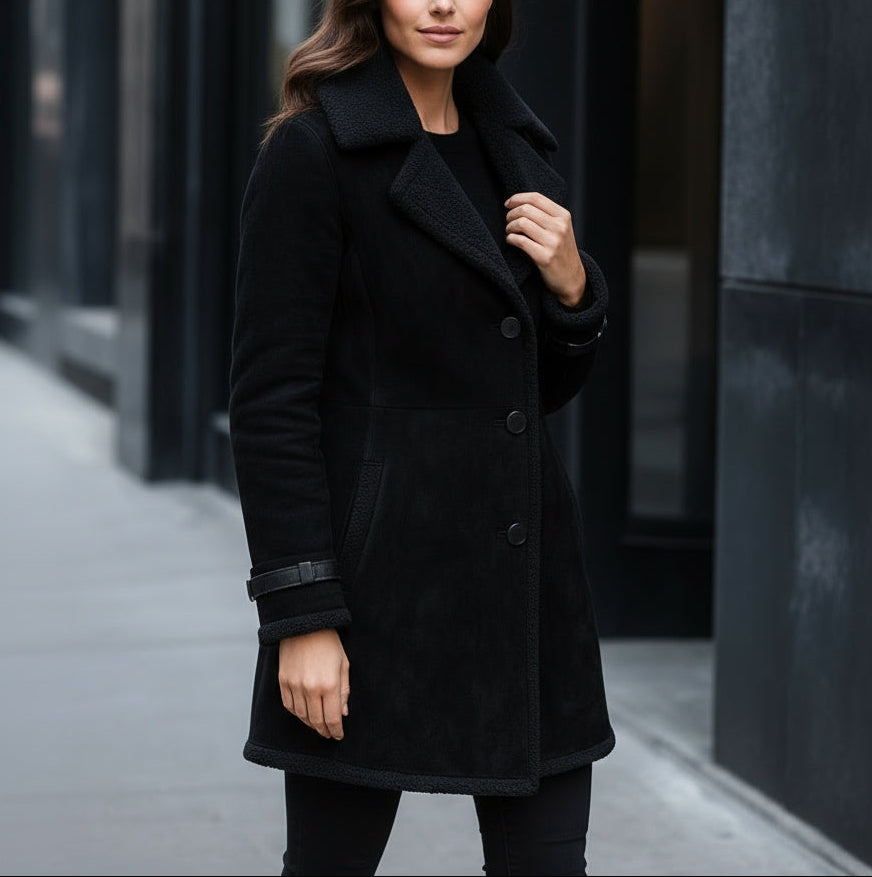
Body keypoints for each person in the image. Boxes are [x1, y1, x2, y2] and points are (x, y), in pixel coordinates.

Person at [228, 1, 614, 874]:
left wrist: (571, 290)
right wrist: (302, 616)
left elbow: (531, 391)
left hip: (524, 591)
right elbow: (271, 403)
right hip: (377, 597)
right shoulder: (313, 152)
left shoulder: (515, 150)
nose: (443, 5)